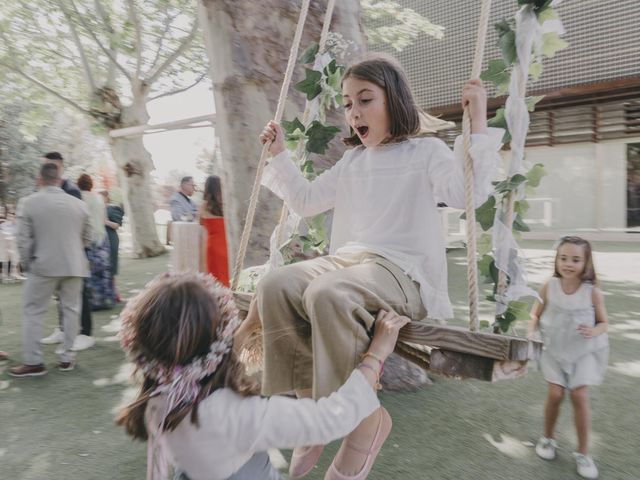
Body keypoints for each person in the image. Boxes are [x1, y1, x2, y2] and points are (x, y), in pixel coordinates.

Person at [256, 54, 502, 479]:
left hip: (402, 273)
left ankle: (360, 421)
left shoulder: (425, 151)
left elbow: (469, 194)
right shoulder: (354, 161)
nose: (354, 112)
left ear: (395, 101)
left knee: (327, 291)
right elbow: (306, 200)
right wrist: (279, 155)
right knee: (275, 284)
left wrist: (477, 120)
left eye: (365, 100)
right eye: (349, 103)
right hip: (351, 263)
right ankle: (311, 411)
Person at [116, 272, 407, 480]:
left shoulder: (157, 398)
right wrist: (376, 355)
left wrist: (251, 323)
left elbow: (210, 363)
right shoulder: (239, 416)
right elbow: (331, 418)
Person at [528, 236, 609, 479]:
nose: (568, 263)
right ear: (557, 260)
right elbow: (535, 314)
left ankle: (584, 453)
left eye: (575, 259)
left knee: (579, 395)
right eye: (563, 258)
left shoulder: (592, 292)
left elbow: (604, 324)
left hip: (583, 351)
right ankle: (548, 439)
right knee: (555, 393)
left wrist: (592, 330)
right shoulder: (549, 286)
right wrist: (531, 331)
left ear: (586, 263)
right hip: (554, 349)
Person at [8, 163, 91, 377]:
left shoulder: (29, 203)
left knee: (33, 311)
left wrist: (28, 264)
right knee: (72, 310)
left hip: (43, 264)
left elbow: (23, 239)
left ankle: (34, 362)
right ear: (59, 179)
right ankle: (66, 358)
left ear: (40, 179)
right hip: (75, 265)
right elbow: (87, 238)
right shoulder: (78, 204)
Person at [39, 152, 86, 347]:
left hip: (71, 254)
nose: (43, 170)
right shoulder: (49, 191)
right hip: (56, 254)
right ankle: (62, 331)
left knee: (72, 301)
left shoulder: (71, 190)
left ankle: (75, 335)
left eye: (47, 166)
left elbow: (81, 225)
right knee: (61, 298)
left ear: (57, 166)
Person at [78, 173, 115, 318]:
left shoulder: (79, 198)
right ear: (91, 185)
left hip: (88, 237)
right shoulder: (99, 198)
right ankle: (106, 299)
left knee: (90, 271)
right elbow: (103, 218)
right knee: (103, 270)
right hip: (102, 236)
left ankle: (92, 301)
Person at [199, 175, 229, 286]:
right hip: (227, 245)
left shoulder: (204, 206)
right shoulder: (227, 205)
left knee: (214, 276)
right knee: (227, 275)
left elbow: (201, 223)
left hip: (212, 246)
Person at [102, 188, 125, 302]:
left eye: (102, 197)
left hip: (111, 238)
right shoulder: (96, 208)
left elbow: (117, 225)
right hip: (100, 240)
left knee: (112, 265)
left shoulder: (112, 208)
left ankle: (115, 293)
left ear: (106, 197)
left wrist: (105, 222)